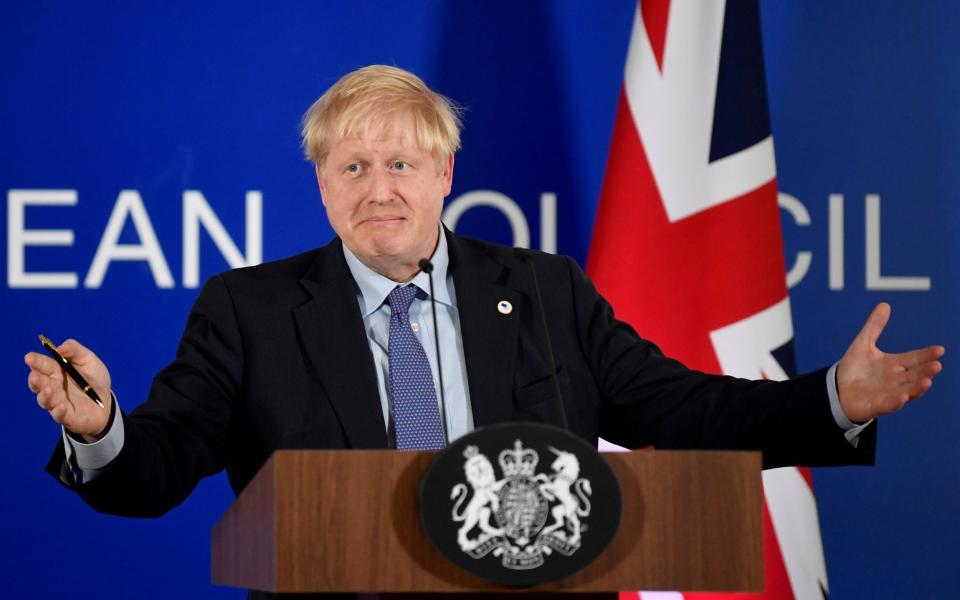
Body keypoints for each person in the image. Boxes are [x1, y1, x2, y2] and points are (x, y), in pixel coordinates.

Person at [25, 66, 944, 521]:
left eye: (400, 162)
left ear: (446, 174)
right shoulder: (248, 311)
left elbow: (681, 406)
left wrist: (830, 401)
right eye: (352, 165)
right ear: (321, 185)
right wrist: (101, 431)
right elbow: (161, 465)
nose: (378, 187)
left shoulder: (543, 291)